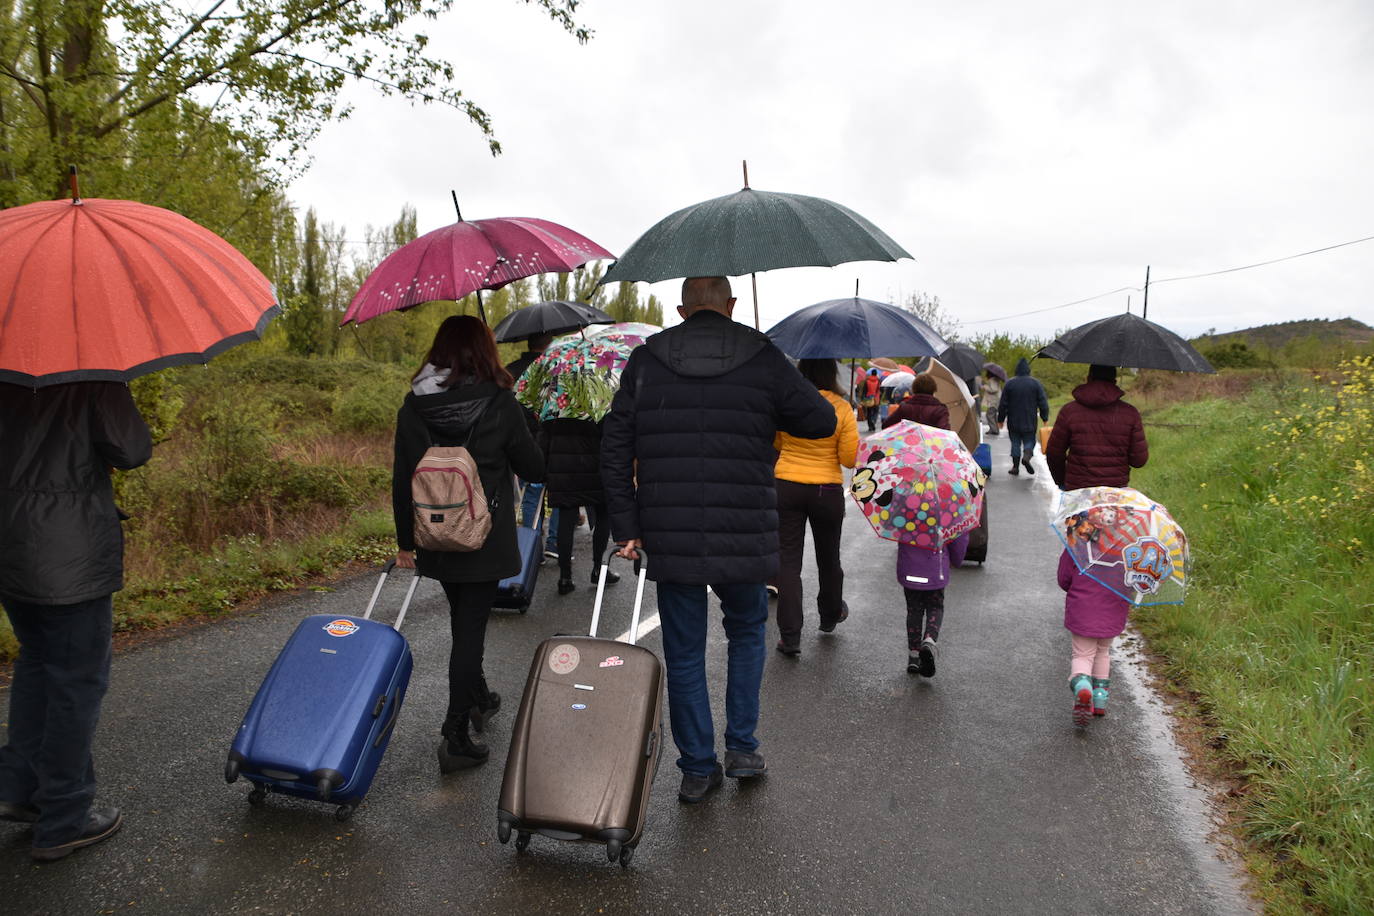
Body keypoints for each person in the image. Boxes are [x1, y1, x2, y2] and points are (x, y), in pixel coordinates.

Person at [601, 277, 835, 804]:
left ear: (682, 310)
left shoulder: (646, 360)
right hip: (744, 528)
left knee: (684, 653)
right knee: (748, 635)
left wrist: (626, 527)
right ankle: (744, 749)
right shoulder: (763, 356)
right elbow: (819, 421)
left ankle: (697, 768)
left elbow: (614, 447)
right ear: (731, 306)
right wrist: (775, 385)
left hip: (669, 529)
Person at [0, 382, 152, 861]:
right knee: (75, 681)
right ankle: (64, 817)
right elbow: (131, 450)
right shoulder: (90, 375)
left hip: (10, 543)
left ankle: (17, 787)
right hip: (69, 552)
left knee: (37, 662)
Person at [392, 315, 545, 772]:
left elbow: (403, 477)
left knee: (463, 619)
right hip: (483, 536)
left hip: (435, 534)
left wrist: (407, 541)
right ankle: (455, 733)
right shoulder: (501, 402)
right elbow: (535, 468)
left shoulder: (414, 404)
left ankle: (478, 697)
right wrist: (532, 427)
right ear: (484, 351)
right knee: (469, 634)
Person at [772, 358, 860, 656]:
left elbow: (777, 443)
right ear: (832, 372)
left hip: (787, 485)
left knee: (787, 562)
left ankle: (790, 635)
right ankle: (830, 614)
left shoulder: (788, 401)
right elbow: (849, 459)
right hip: (826, 488)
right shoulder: (842, 407)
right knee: (828, 557)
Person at [539, 416, 618, 595]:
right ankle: (599, 569)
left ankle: (565, 577)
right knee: (603, 514)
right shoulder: (597, 398)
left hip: (563, 467)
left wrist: (543, 468)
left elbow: (544, 433)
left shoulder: (558, 400)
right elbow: (611, 433)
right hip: (594, 464)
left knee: (566, 520)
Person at [1044, 364, 1148, 490]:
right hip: (1115, 492)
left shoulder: (1069, 411)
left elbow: (1054, 453)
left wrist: (1061, 480)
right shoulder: (1130, 413)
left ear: (1089, 378)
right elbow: (1139, 461)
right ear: (1114, 381)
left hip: (1077, 490)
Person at [1058, 549, 1130, 725]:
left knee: (1083, 654)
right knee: (1103, 651)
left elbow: (1064, 578)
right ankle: (1099, 700)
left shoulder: (1079, 543)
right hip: (1114, 608)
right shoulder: (1128, 548)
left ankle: (1083, 686)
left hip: (1083, 608)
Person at [504, 333, 559, 556]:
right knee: (557, 493)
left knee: (530, 492)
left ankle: (530, 546)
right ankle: (555, 543)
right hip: (548, 437)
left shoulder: (510, 370)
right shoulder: (552, 368)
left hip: (518, 439)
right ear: (547, 344)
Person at [996, 357, 1050, 477]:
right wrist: (1044, 416)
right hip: (1029, 420)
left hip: (1013, 420)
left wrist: (1000, 419)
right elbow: (1043, 402)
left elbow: (1003, 404)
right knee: (1029, 441)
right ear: (1028, 370)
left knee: (1015, 443)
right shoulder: (1035, 383)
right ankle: (1027, 455)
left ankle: (1015, 467)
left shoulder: (1009, 383)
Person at [883, 373, 950, 430]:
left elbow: (886, 425)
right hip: (932, 444)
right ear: (933, 389)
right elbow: (945, 432)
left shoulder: (905, 407)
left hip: (908, 444)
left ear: (914, 389)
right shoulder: (940, 410)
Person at [982, 368, 1004, 435]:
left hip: (993, 401)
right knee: (992, 415)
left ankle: (994, 429)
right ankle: (994, 429)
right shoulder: (994, 380)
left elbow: (994, 389)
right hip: (995, 401)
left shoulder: (992, 380)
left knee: (989, 415)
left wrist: (985, 386)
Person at [860, 368, 882, 432]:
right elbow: (879, 390)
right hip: (876, 398)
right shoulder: (878, 381)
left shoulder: (867, 381)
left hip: (868, 398)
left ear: (871, 373)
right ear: (876, 374)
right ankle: (873, 421)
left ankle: (870, 426)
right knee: (875, 411)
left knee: (869, 412)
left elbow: (864, 390)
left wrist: (862, 398)